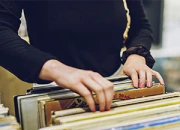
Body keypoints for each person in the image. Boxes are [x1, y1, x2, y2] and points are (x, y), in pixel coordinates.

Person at [0, 0, 164, 112]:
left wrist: (136, 55)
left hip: (116, 84)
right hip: (55, 91)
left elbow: (140, 24)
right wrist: (57, 69)